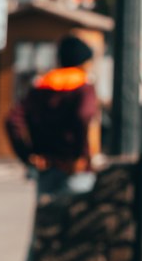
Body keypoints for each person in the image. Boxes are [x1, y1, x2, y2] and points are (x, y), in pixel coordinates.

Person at [5, 35, 99, 195]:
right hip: (76, 169)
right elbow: (83, 116)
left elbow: (12, 120)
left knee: (47, 216)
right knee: (76, 216)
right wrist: (81, 154)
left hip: (45, 166)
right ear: (83, 62)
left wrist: (27, 155)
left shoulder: (41, 86)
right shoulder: (84, 87)